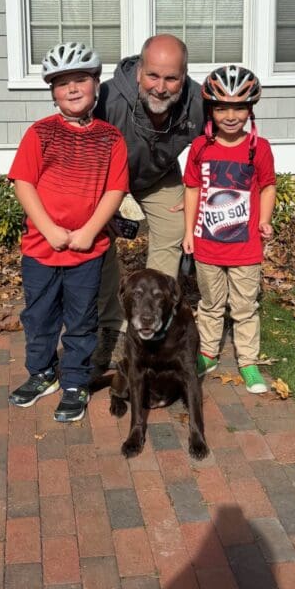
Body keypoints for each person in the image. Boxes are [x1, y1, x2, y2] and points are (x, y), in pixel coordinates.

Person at [7, 42, 129, 422]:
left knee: (81, 319)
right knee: (39, 317)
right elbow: (23, 183)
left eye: (80, 80)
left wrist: (90, 231)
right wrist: (50, 229)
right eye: (62, 84)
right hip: (41, 249)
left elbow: (115, 189)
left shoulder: (111, 138)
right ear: (53, 92)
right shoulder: (40, 133)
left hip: (87, 251)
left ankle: (75, 380)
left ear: (95, 84)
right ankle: (43, 374)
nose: (72, 89)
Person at [91, 33, 205, 379]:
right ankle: (110, 326)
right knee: (97, 238)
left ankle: (156, 320)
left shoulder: (199, 103)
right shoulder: (107, 98)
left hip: (158, 174)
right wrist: (102, 209)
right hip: (106, 177)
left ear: (184, 77)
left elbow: (216, 149)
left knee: (173, 229)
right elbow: (86, 153)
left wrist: (194, 196)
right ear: (139, 71)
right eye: (153, 75)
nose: (161, 87)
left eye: (171, 78)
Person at [182, 64, 276, 394]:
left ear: (249, 110)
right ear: (211, 110)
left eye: (239, 107)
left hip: (245, 246)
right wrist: (188, 232)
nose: (231, 115)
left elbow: (267, 186)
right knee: (210, 303)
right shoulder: (200, 148)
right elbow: (192, 188)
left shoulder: (258, 148)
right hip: (208, 243)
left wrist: (265, 220)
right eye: (222, 107)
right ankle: (208, 352)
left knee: (245, 306)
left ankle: (248, 361)